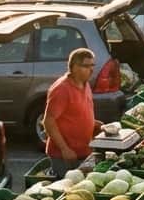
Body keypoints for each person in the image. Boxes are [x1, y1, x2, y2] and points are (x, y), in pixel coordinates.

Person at [43, 48, 103, 177]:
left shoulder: (85, 83)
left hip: (84, 151)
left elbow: (76, 113)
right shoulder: (61, 89)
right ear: (74, 67)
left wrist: (94, 124)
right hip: (66, 156)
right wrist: (65, 149)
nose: (91, 69)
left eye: (92, 65)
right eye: (86, 66)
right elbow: (48, 121)